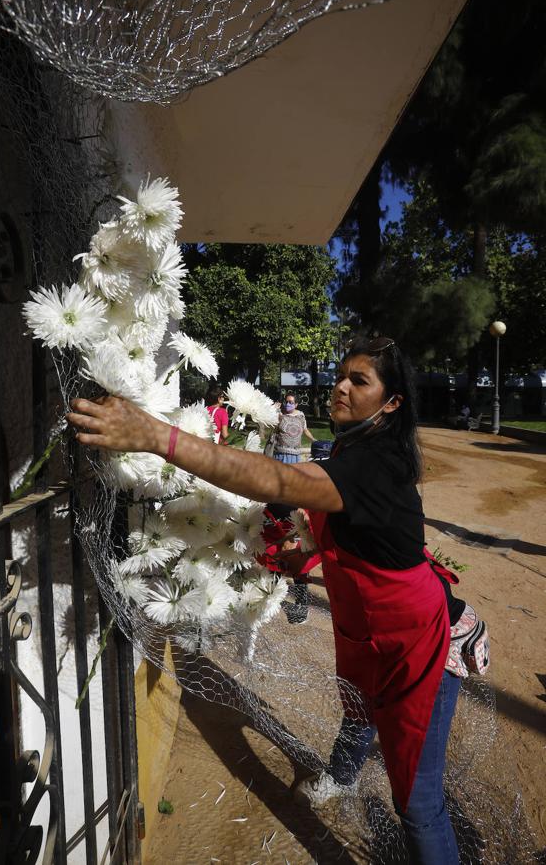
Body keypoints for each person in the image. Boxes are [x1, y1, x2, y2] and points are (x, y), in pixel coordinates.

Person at [68, 336, 471, 865]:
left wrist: (155, 436)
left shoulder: (375, 464)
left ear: (392, 402)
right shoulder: (351, 445)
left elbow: (279, 478)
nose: (341, 387)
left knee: (416, 801)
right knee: (357, 707)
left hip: (414, 641)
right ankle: (342, 778)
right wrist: (291, 551)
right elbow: (344, 536)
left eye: (360, 381)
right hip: (364, 627)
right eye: (342, 375)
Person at [272, 393, 315, 463]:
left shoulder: (301, 415)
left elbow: (305, 430)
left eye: (291, 402)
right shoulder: (280, 414)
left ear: (296, 404)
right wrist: (274, 408)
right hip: (281, 454)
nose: (287, 404)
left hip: (295, 454)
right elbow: (272, 426)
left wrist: (313, 439)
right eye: (286, 402)